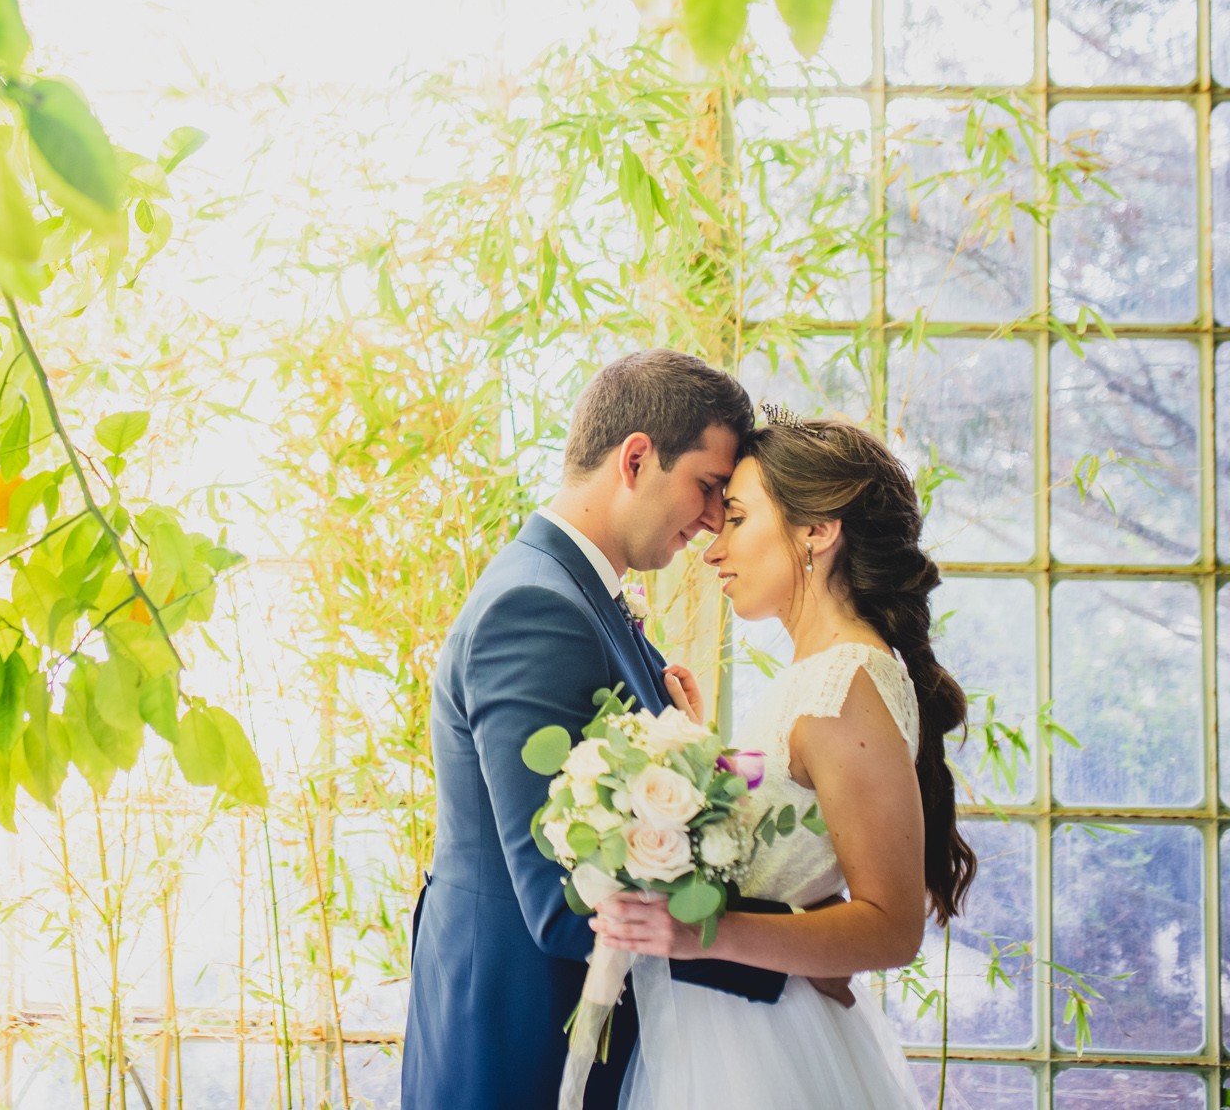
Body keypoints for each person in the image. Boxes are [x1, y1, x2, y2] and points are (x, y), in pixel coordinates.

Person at [400, 351, 852, 1110]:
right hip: (517, 1043)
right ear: (637, 458)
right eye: (708, 486)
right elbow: (562, 898)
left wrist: (697, 752)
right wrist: (788, 950)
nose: (712, 519)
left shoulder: (584, 596)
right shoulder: (535, 609)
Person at [589, 407, 973, 1109]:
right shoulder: (822, 677)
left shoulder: (842, 685)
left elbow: (891, 926)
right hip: (740, 1029)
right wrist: (702, 758)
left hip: (753, 1050)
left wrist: (698, 932)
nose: (711, 549)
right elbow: (808, 850)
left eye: (736, 517)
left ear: (818, 531)